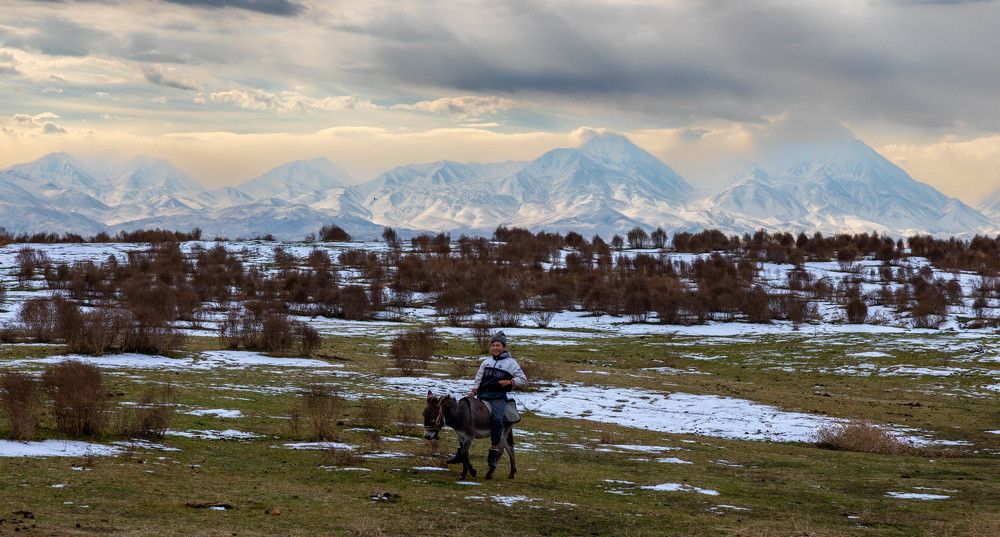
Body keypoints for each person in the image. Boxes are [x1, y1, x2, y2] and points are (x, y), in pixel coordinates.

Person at [466, 331, 527, 469]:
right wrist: (474, 391)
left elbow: (523, 380)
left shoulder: (511, 363)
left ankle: (494, 450)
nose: (495, 348)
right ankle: (463, 448)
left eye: (498, 345)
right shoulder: (486, 362)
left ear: (504, 347)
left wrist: (510, 382)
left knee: (497, 419)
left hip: (498, 398)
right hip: (482, 396)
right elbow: (479, 378)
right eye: (493, 345)